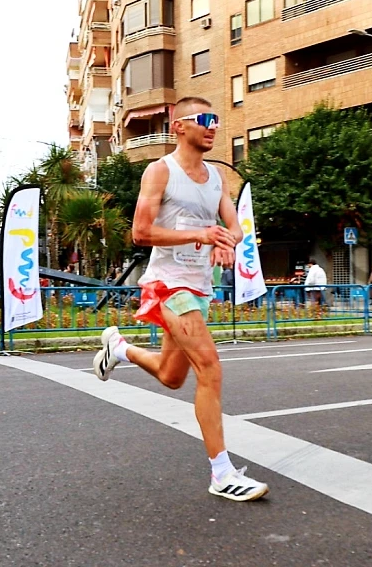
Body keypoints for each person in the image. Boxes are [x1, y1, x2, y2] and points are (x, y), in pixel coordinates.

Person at [90, 97, 268, 501]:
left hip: (200, 287)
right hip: (168, 284)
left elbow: (235, 227)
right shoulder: (160, 172)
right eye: (204, 120)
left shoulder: (217, 178)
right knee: (210, 366)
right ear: (179, 127)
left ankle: (119, 348)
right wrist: (200, 235)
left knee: (172, 377)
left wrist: (226, 241)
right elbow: (141, 232)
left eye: (216, 120)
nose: (213, 127)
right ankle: (222, 473)